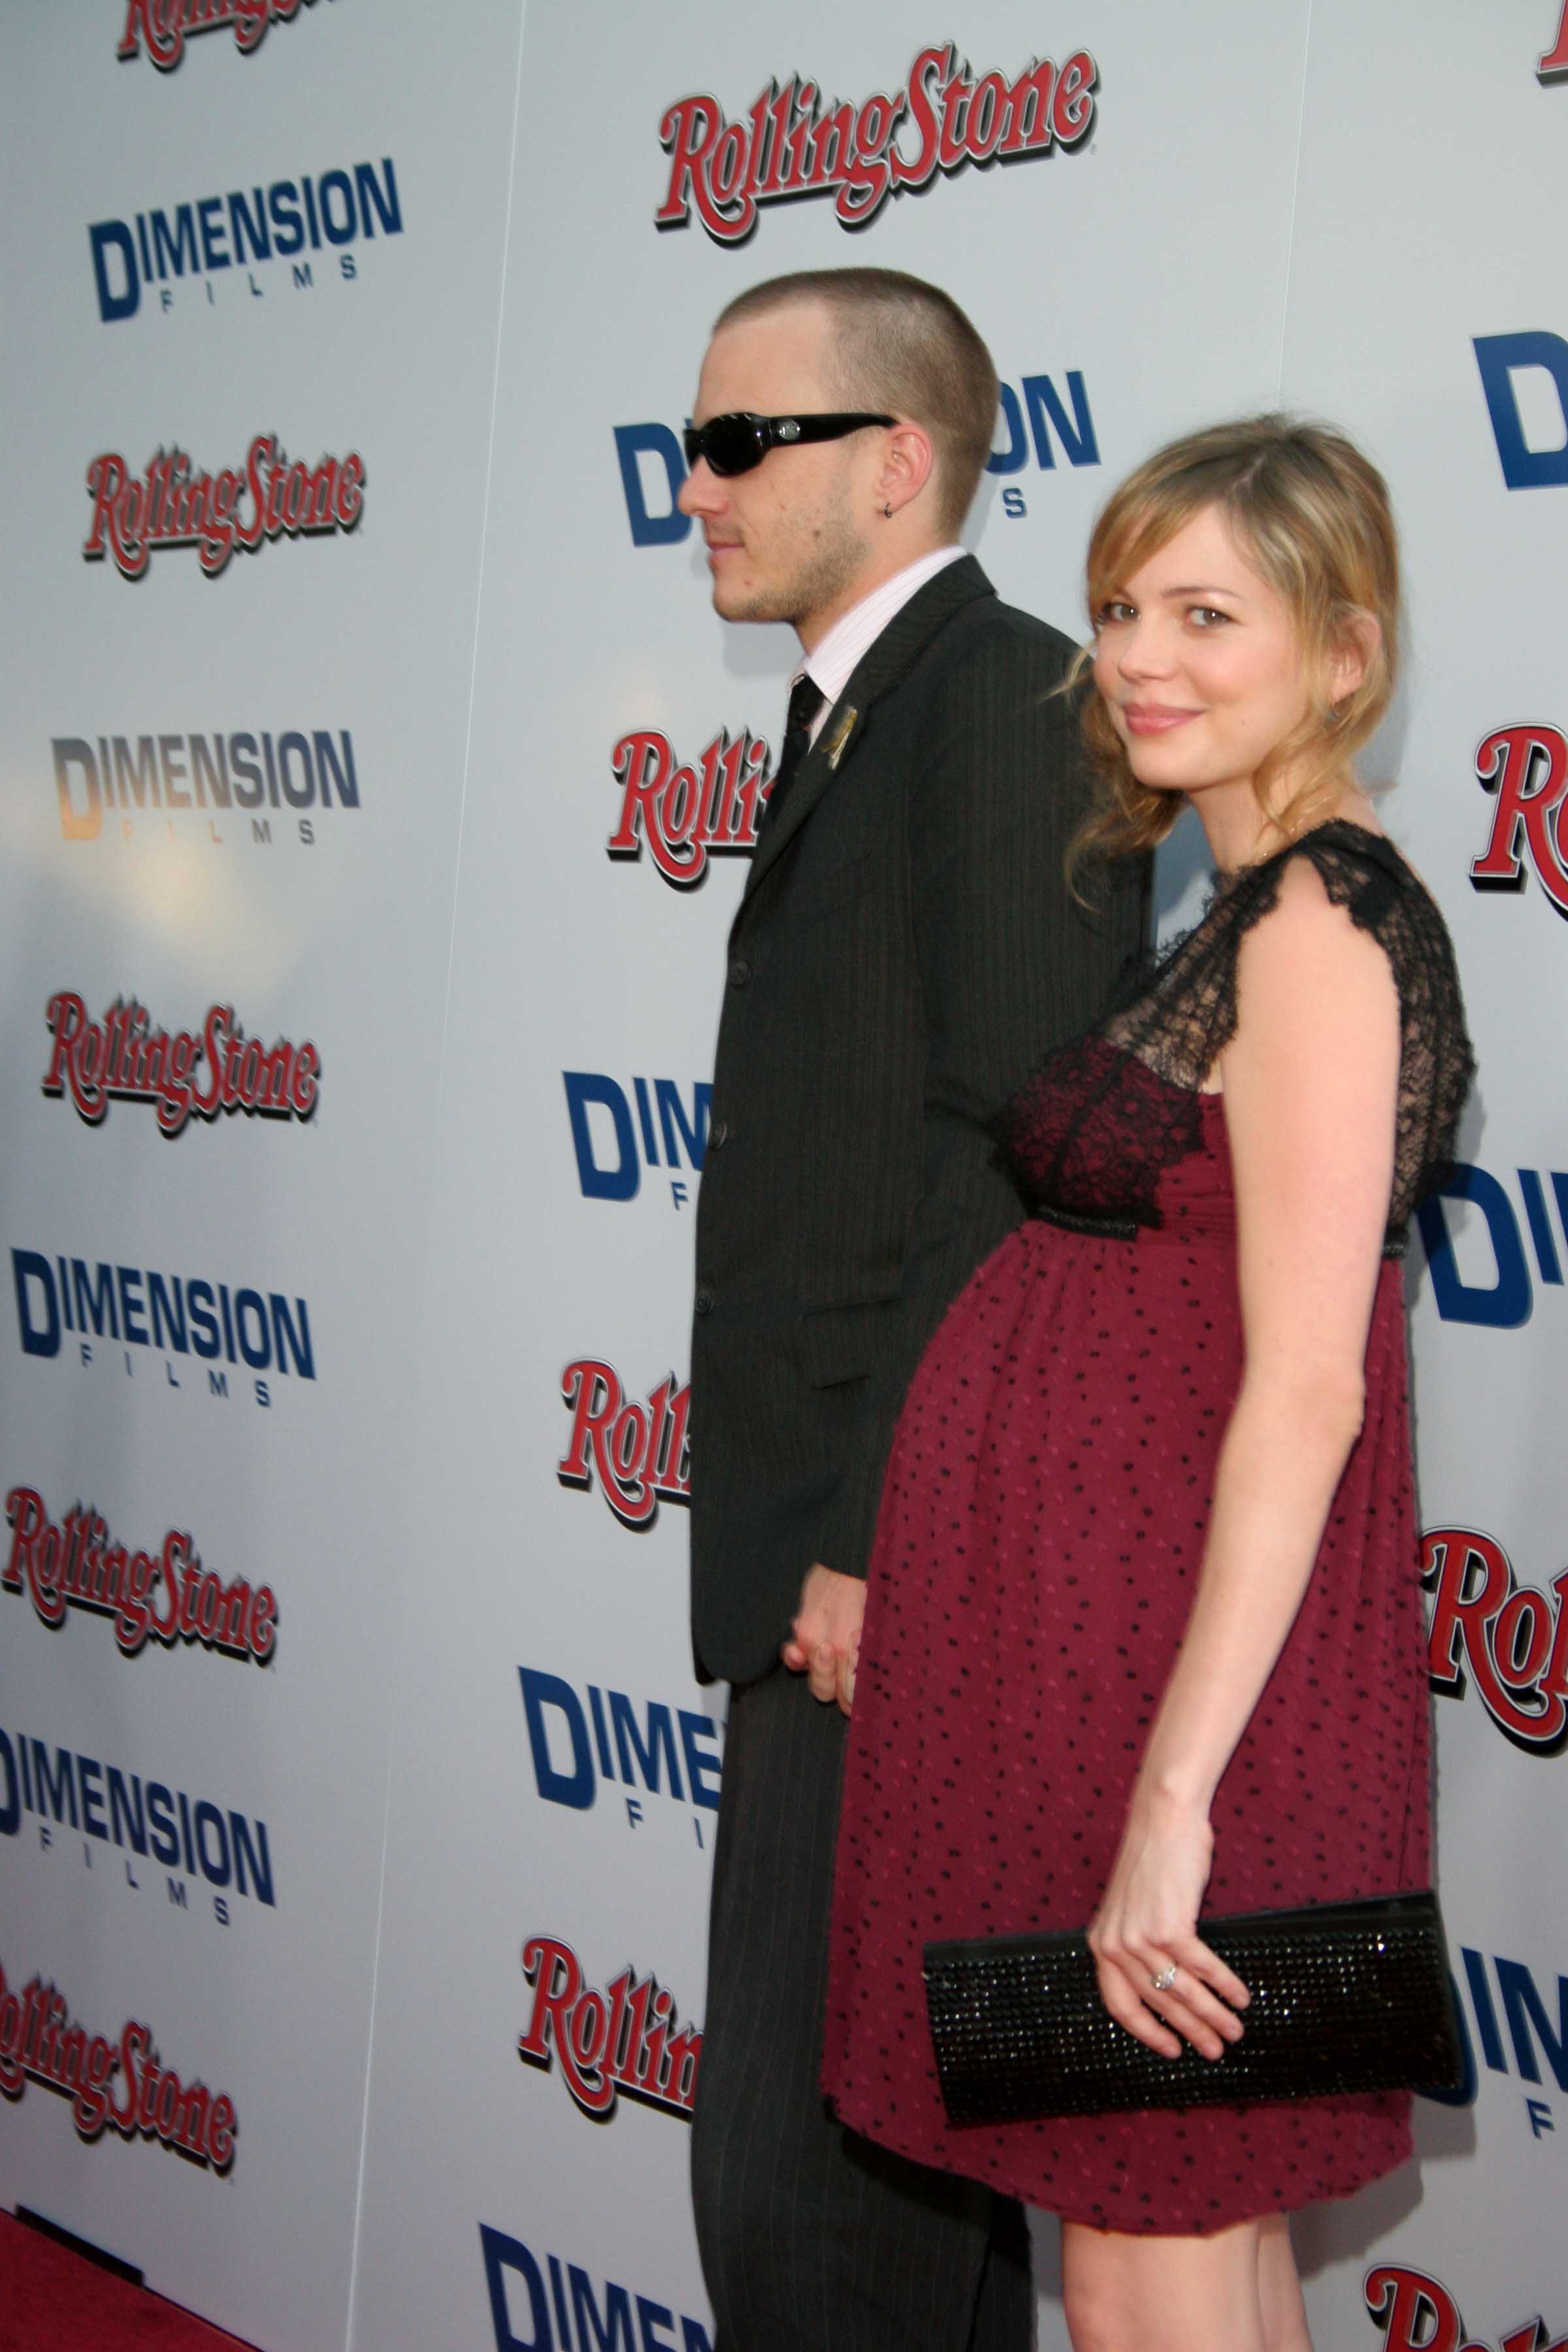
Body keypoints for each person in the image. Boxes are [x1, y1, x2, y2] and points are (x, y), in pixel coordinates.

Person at [823, 415, 1474, 2352]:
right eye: (1121, 606)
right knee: (1185, 2239)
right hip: (1095, 1662)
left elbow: (1309, 1393)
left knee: (1138, 2251)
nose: (1140, 656)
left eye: (1209, 612)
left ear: (1344, 652)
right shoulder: (1259, 905)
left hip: (1183, 1700)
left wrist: (1172, 1800)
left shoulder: (1318, 931)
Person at [679, 267, 1146, 2351]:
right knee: (861, 2191)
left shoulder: (1015, 705)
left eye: (736, 440)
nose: (695, 486)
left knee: (817, 2200)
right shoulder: (866, 709)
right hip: (833, 1559)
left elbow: (1010, 1162)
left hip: (893, 1576)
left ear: (898, 459)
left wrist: (880, 1531)